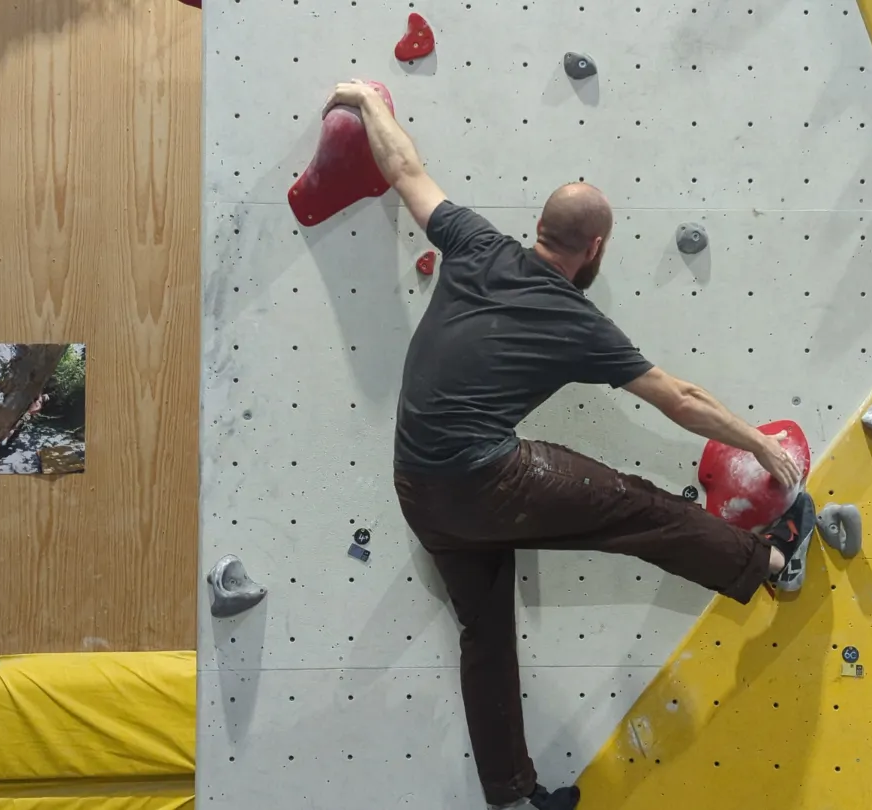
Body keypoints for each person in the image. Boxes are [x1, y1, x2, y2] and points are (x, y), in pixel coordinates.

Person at [324, 80, 815, 810]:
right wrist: (760, 447)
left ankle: (513, 798)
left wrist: (368, 102)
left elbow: (405, 171)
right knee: (636, 507)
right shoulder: (573, 320)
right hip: (482, 480)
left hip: (419, 492)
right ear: (596, 248)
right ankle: (775, 562)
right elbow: (679, 399)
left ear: (538, 227)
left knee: (485, 636)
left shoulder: (474, 242)